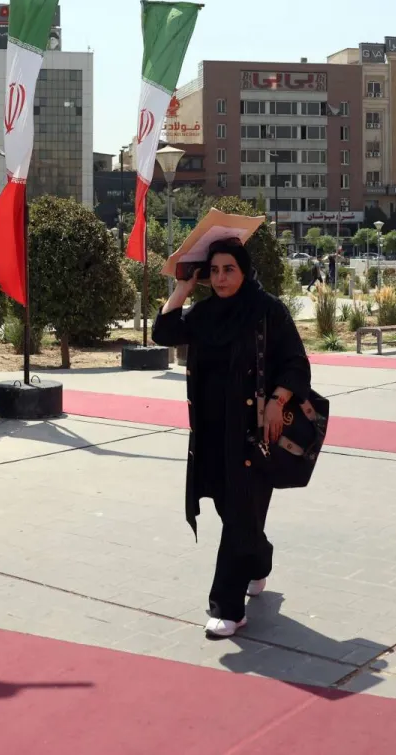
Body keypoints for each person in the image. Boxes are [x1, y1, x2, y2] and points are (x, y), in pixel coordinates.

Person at [152, 238, 312, 638]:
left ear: (245, 271)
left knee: (240, 510)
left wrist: (278, 399)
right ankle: (260, 560)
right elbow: (164, 332)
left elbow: (296, 361)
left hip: (256, 431)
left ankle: (227, 606)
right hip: (212, 432)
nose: (222, 279)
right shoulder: (205, 314)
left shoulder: (267, 311)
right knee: (233, 510)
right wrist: (185, 286)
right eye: (216, 271)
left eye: (230, 270)